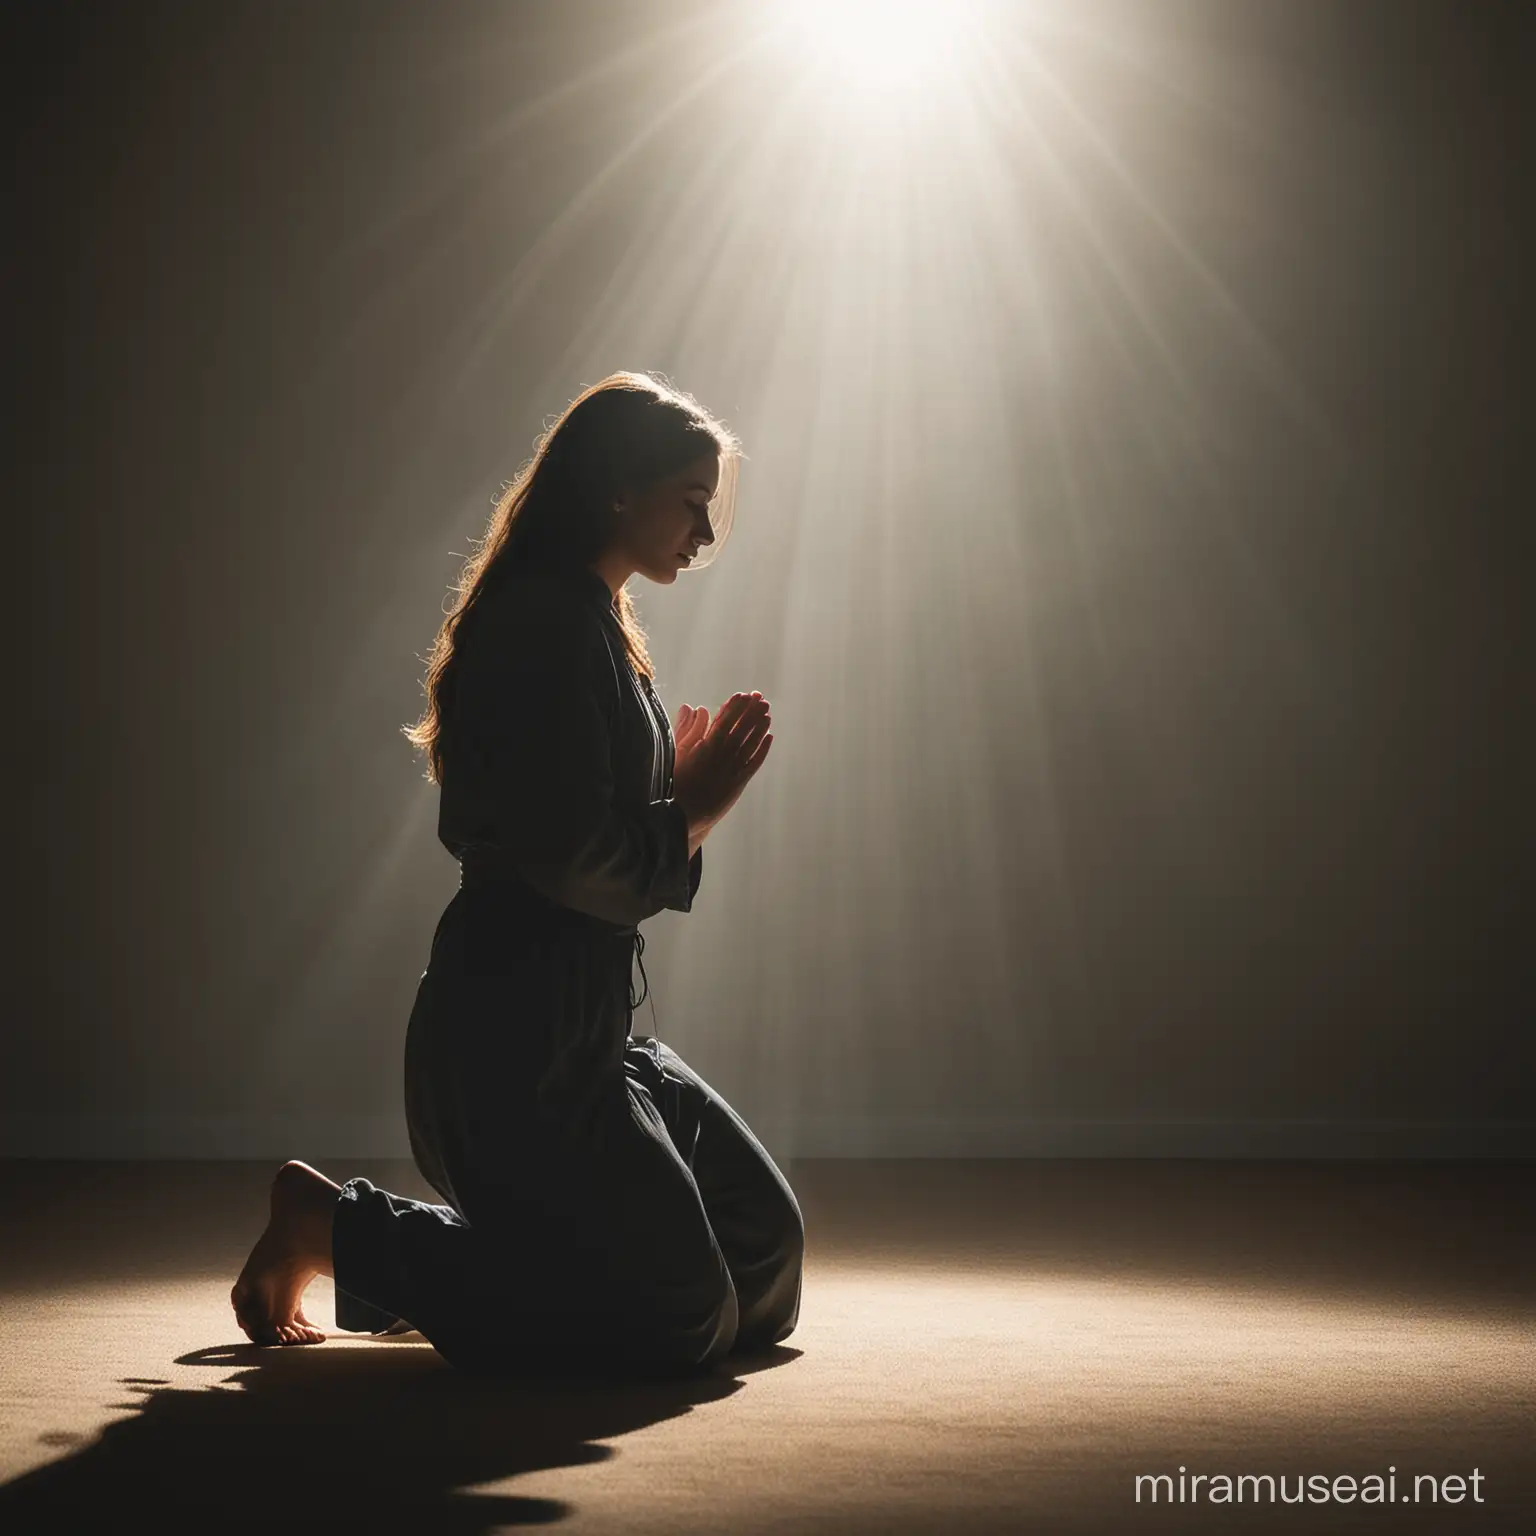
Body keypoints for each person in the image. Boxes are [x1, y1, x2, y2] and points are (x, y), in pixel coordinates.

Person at [230, 372, 804, 1377]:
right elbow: (571, 862)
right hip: (512, 1063)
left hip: (592, 1045)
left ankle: (514, 1254)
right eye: (691, 501)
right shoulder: (540, 625)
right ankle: (333, 1229)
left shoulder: (594, 622)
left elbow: (596, 839)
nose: (704, 534)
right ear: (621, 489)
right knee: (681, 1323)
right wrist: (697, 806)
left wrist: (673, 798)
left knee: (763, 1268)